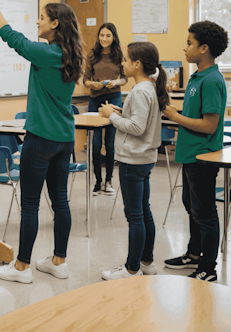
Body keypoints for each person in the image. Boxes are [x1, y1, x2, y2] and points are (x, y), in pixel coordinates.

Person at [0, 0, 85, 284]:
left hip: (40, 139)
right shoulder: (70, 54)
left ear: (55, 24)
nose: (37, 21)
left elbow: (9, 35)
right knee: (60, 201)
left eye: (41, 17)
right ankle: (58, 261)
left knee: (30, 204)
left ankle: (22, 266)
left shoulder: (46, 53)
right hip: (65, 139)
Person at [163, 21, 228, 282]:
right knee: (191, 205)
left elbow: (209, 124)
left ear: (204, 48)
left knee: (205, 213)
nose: (184, 47)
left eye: (189, 43)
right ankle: (194, 254)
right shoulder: (197, 76)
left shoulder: (211, 80)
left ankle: (208, 269)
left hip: (203, 155)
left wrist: (175, 116)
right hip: (190, 153)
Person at [99, 41, 169, 280]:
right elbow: (141, 120)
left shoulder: (139, 91)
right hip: (144, 158)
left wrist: (111, 117)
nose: (122, 64)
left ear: (137, 64)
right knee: (144, 211)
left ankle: (131, 268)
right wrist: (120, 113)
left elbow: (137, 127)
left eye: (126, 60)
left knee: (135, 215)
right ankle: (147, 262)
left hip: (133, 160)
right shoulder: (148, 87)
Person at [83, 23, 126, 196]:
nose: (104, 39)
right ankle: (97, 180)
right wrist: (92, 84)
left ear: (113, 37)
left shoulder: (119, 55)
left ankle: (108, 181)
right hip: (95, 100)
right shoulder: (92, 55)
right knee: (94, 145)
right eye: (102, 35)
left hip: (114, 99)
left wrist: (115, 82)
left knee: (110, 144)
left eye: (108, 36)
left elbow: (124, 79)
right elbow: (85, 79)